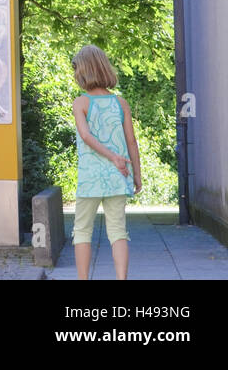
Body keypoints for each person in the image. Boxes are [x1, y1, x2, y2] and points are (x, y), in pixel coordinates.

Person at [71, 44, 141, 280]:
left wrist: (111, 156)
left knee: (82, 231)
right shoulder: (120, 103)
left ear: (83, 71)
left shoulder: (81, 103)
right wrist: (137, 175)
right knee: (118, 232)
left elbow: (86, 136)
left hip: (91, 178)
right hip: (118, 175)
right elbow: (132, 142)